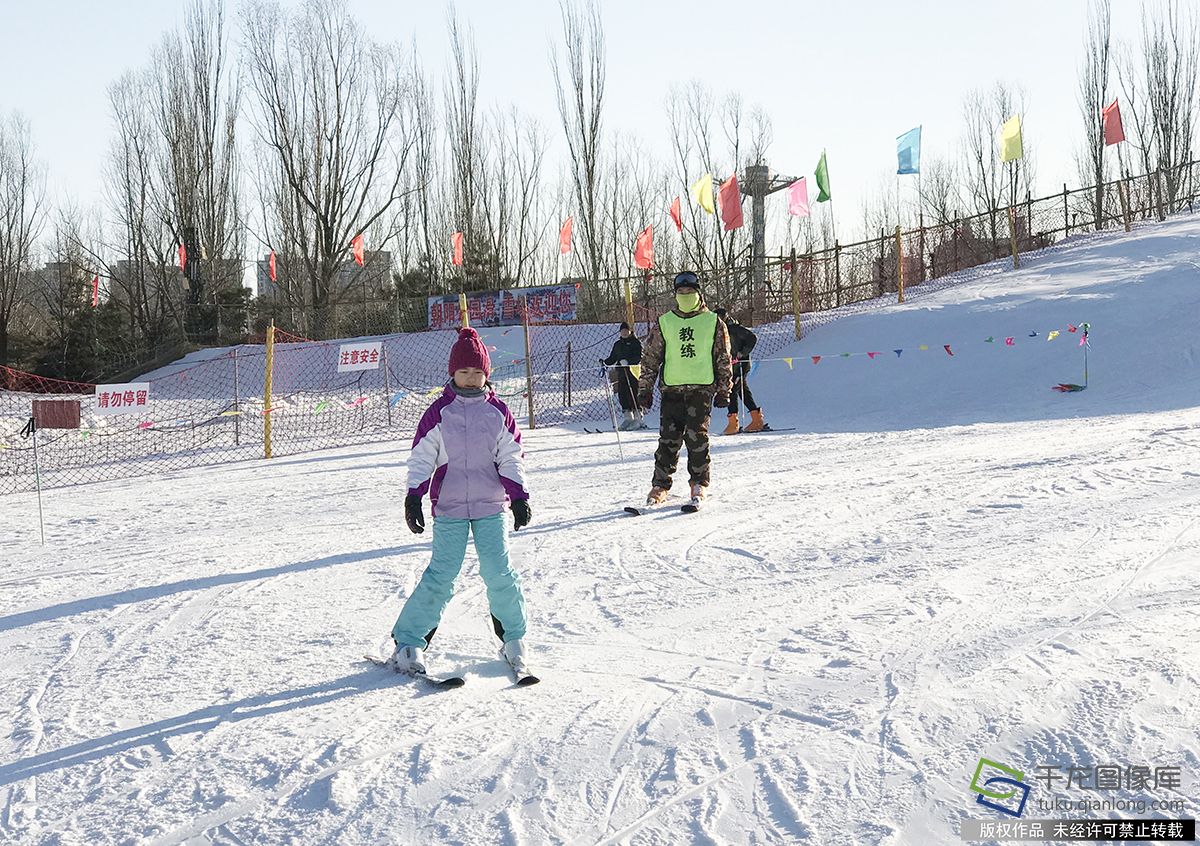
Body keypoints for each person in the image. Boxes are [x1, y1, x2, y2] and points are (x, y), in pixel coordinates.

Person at [390, 327, 533, 679]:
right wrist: (413, 497)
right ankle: (408, 643)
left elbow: (511, 456)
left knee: (499, 573)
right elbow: (422, 457)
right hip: (450, 508)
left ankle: (514, 640)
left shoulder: (498, 412)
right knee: (441, 575)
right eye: (464, 372)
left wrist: (518, 496)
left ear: (488, 374)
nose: (470, 379)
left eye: (477, 372)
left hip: (490, 507)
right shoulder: (439, 412)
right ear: (452, 373)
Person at [636, 271, 733, 506]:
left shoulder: (713, 322)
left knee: (696, 436)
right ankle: (660, 484)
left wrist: (724, 389)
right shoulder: (665, 322)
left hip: (701, 388)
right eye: (681, 292)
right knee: (668, 439)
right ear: (675, 294)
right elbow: (650, 357)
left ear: (698, 293)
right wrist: (645, 388)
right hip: (672, 389)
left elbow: (723, 357)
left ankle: (699, 483)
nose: (686, 295)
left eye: (690, 292)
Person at [714, 307, 769, 434]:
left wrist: (741, 353)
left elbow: (752, 338)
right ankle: (756, 419)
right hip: (730, 367)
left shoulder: (734, 329)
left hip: (739, 367)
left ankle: (734, 423)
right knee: (743, 391)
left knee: (732, 391)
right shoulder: (719, 331)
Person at [600, 322, 645, 431]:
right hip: (621, 372)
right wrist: (605, 362)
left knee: (633, 393)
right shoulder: (618, 344)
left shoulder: (636, 343)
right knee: (622, 393)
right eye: (622, 331)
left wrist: (629, 361)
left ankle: (638, 418)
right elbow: (613, 357)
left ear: (630, 331)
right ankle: (628, 418)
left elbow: (639, 356)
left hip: (633, 372)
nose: (624, 333)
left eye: (626, 331)